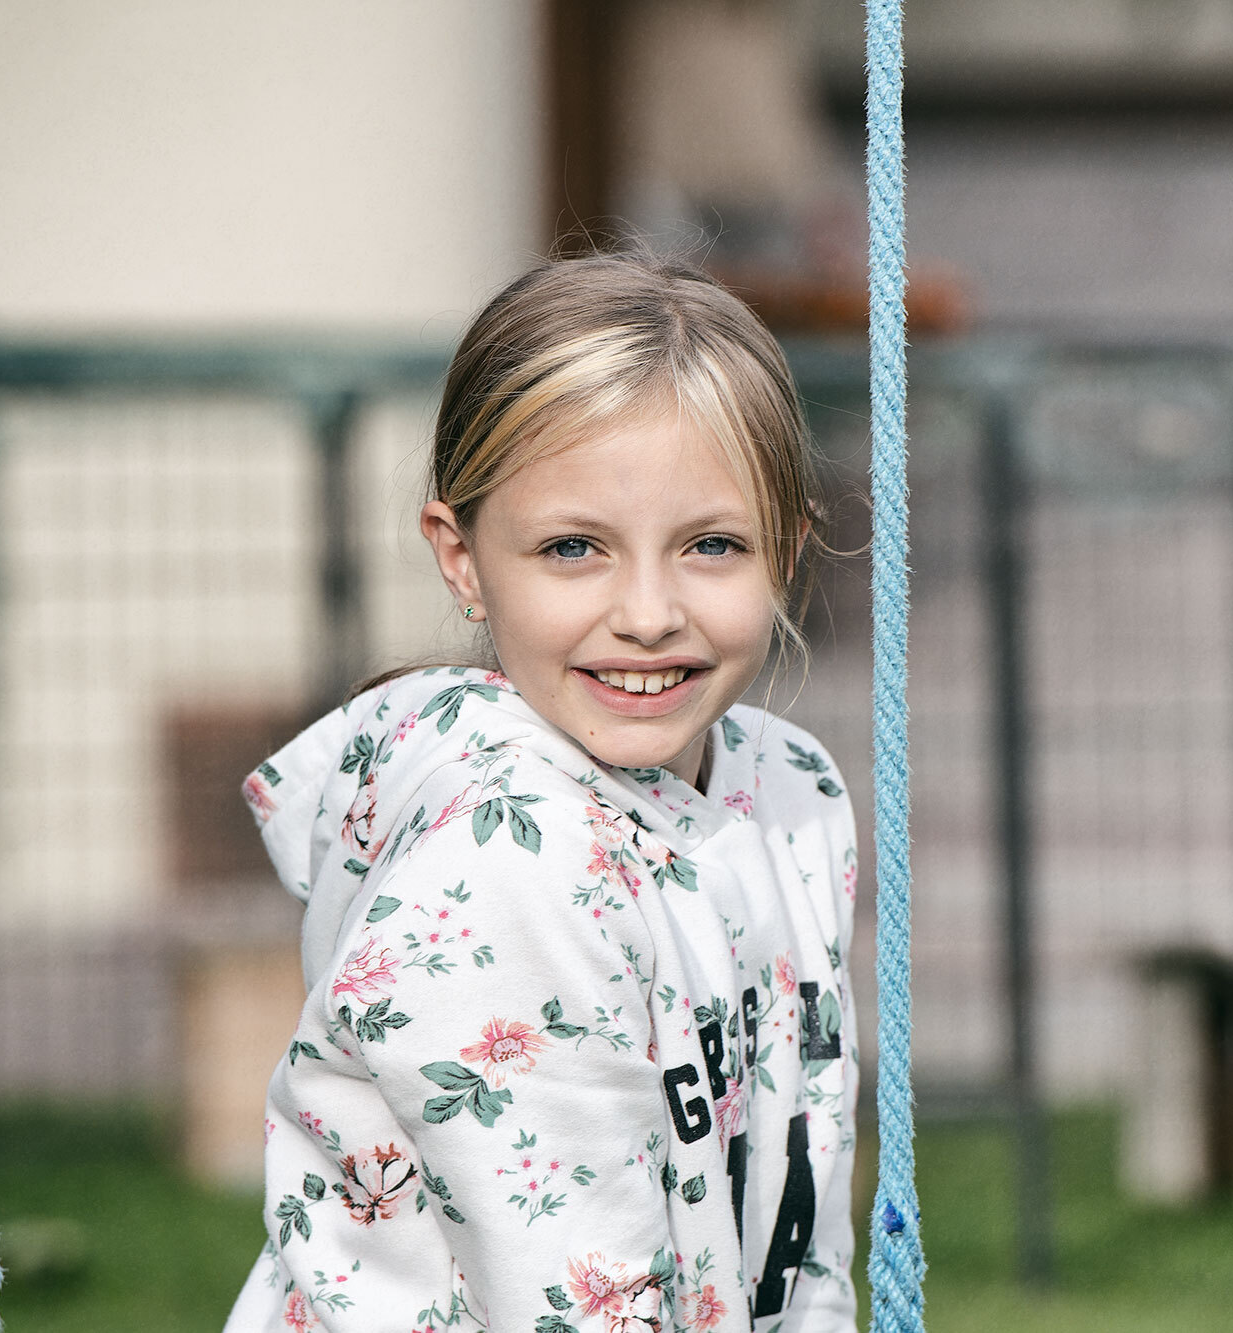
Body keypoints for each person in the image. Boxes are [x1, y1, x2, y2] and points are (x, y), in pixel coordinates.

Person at [224, 251, 858, 1333]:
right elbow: (566, 1293)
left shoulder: (787, 786)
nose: (648, 611)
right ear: (461, 556)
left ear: (786, 551)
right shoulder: (511, 861)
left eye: (711, 544)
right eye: (574, 548)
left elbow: (802, 1173)